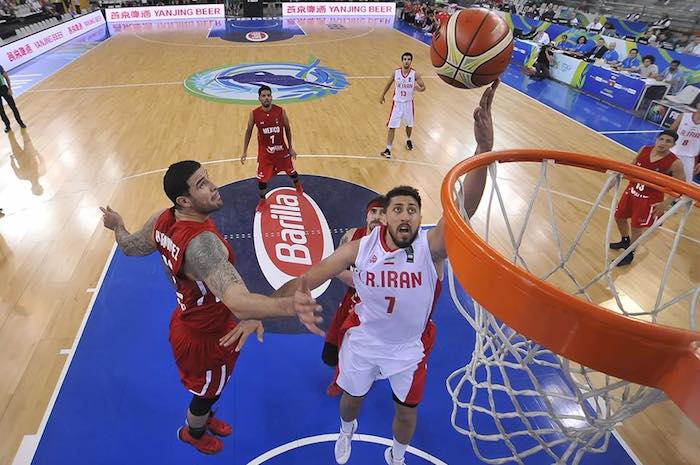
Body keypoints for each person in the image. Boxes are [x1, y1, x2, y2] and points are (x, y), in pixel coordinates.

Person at [276, 81, 499, 465]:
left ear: (419, 217)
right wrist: (282, 299)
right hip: (364, 340)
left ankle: (397, 455)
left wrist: (483, 150)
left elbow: (463, 207)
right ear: (385, 217)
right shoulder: (361, 247)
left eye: (412, 209)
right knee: (352, 399)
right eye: (397, 209)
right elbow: (313, 275)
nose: (405, 215)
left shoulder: (430, 248)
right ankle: (346, 431)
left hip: (409, 349)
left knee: (406, 413)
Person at [100, 161, 322, 455]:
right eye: (202, 184)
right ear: (184, 201)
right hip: (207, 338)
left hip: (189, 320)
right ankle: (192, 432)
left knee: (210, 389)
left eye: (208, 179)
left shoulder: (161, 220)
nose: (214, 186)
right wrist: (290, 306)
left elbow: (130, 246)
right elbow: (238, 302)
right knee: (206, 394)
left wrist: (118, 226)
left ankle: (204, 417)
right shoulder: (202, 246)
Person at [323, 195, 387, 396]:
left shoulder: (394, 246)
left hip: (376, 309)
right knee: (333, 350)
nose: (377, 217)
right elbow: (332, 266)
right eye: (373, 212)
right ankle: (343, 377)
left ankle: (349, 381)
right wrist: (355, 279)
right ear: (367, 216)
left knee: (362, 352)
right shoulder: (352, 236)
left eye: (382, 213)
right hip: (351, 302)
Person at [609, 131, 686, 266]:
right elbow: (631, 166)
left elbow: (681, 185)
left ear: (673, 145)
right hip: (632, 191)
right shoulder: (644, 149)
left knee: (636, 226)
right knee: (619, 217)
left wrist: (666, 203)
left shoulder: (675, 163)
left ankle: (630, 254)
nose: (663, 143)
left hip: (649, 199)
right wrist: (613, 181)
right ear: (656, 140)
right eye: (661, 139)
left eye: (668, 141)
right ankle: (625, 241)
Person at [241, 85, 302, 213]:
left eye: (268, 95)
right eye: (263, 96)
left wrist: (291, 148)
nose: (266, 98)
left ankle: (297, 186)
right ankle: (263, 201)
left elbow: (287, 128)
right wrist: (244, 151)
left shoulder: (280, 111)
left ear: (271, 97)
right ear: (259, 98)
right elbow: (248, 131)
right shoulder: (254, 114)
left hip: (281, 151)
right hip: (266, 154)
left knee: (292, 172)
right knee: (262, 180)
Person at [379, 52, 426, 159]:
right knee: (392, 126)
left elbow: (423, 87)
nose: (406, 61)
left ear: (411, 61)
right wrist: (382, 95)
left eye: (408, 59)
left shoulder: (415, 74)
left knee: (409, 125)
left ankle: (408, 139)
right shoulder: (396, 73)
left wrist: (419, 89)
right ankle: (388, 149)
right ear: (402, 61)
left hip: (408, 104)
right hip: (397, 104)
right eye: (405, 59)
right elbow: (388, 84)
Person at [669, 95, 700, 183]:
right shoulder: (684, 116)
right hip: (673, 152)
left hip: (690, 157)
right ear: (697, 104)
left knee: (685, 183)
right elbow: (669, 133)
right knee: (659, 176)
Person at [0, 66, 26, 133]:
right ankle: (7, 125)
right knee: (1, 111)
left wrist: (9, 88)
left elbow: (6, 77)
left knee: (13, 107)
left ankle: (20, 122)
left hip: (3, 88)